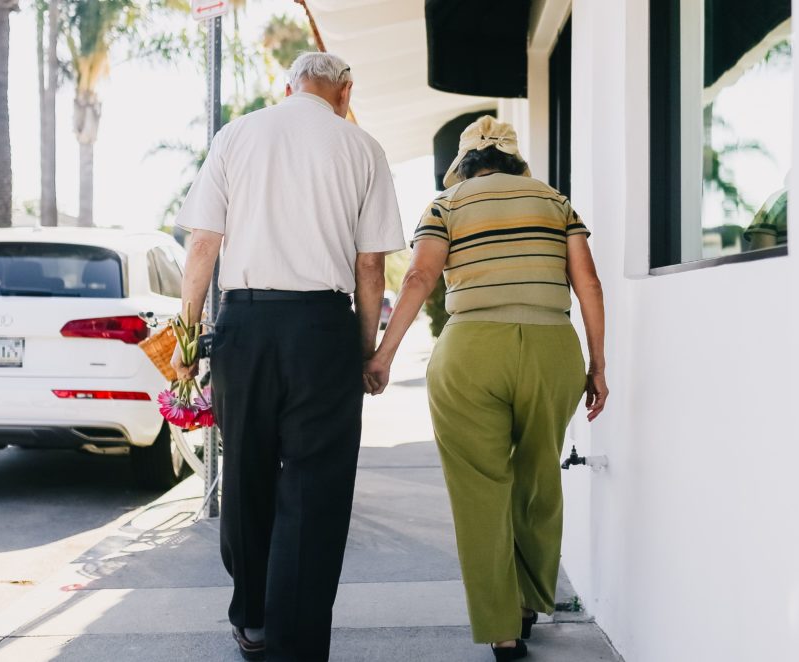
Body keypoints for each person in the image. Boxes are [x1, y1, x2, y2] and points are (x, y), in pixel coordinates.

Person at [172, 52, 406, 662]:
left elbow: (202, 245)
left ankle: (252, 620)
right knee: (314, 488)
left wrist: (188, 339)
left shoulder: (237, 135)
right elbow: (372, 266)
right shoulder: (363, 148)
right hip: (322, 327)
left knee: (246, 474)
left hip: (244, 323)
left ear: (286, 87)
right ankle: (297, 643)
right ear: (344, 91)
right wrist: (361, 350)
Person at [364, 116, 609, 660]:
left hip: (471, 352)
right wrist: (597, 364)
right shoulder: (555, 202)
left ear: (465, 164)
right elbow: (587, 281)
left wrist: (383, 355)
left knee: (480, 491)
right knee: (539, 475)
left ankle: (501, 631)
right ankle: (529, 601)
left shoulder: (446, 204)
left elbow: (420, 277)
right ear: (515, 160)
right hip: (551, 348)